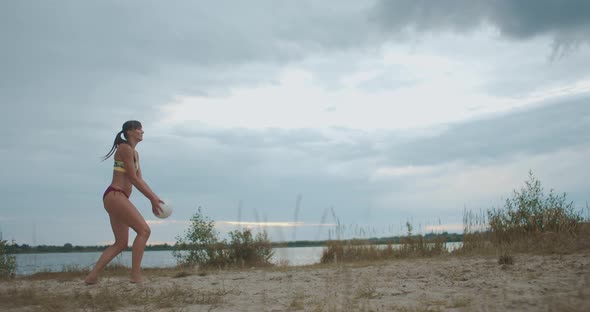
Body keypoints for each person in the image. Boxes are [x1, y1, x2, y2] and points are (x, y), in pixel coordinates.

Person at [85, 120, 164, 285]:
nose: (142, 131)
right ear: (129, 131)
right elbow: (134, 179)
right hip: (115, 195)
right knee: (144, 231)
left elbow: (140, 179)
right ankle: (135, 276)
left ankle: (92, 277)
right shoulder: (125, 149)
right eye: (139, 129)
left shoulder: (135, 153)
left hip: (117, 198)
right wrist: (153, 198)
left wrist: (153, 199)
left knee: (121, 243)